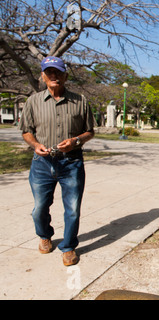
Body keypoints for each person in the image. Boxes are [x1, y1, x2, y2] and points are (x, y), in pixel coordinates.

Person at [19, 56, 95, 266]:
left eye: (58, 72)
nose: (54, 76)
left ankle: (69, 247)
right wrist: (35, 145)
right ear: (43, 76)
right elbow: (26, 131)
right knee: (39, 208)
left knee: (72, 208)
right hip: (42, 163)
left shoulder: (80, 101)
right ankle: (45, 235)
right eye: (49, 72)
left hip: (71, 163)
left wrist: (76, 141)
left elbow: (90, 131)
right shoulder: (33, 101)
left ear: (65, 76)